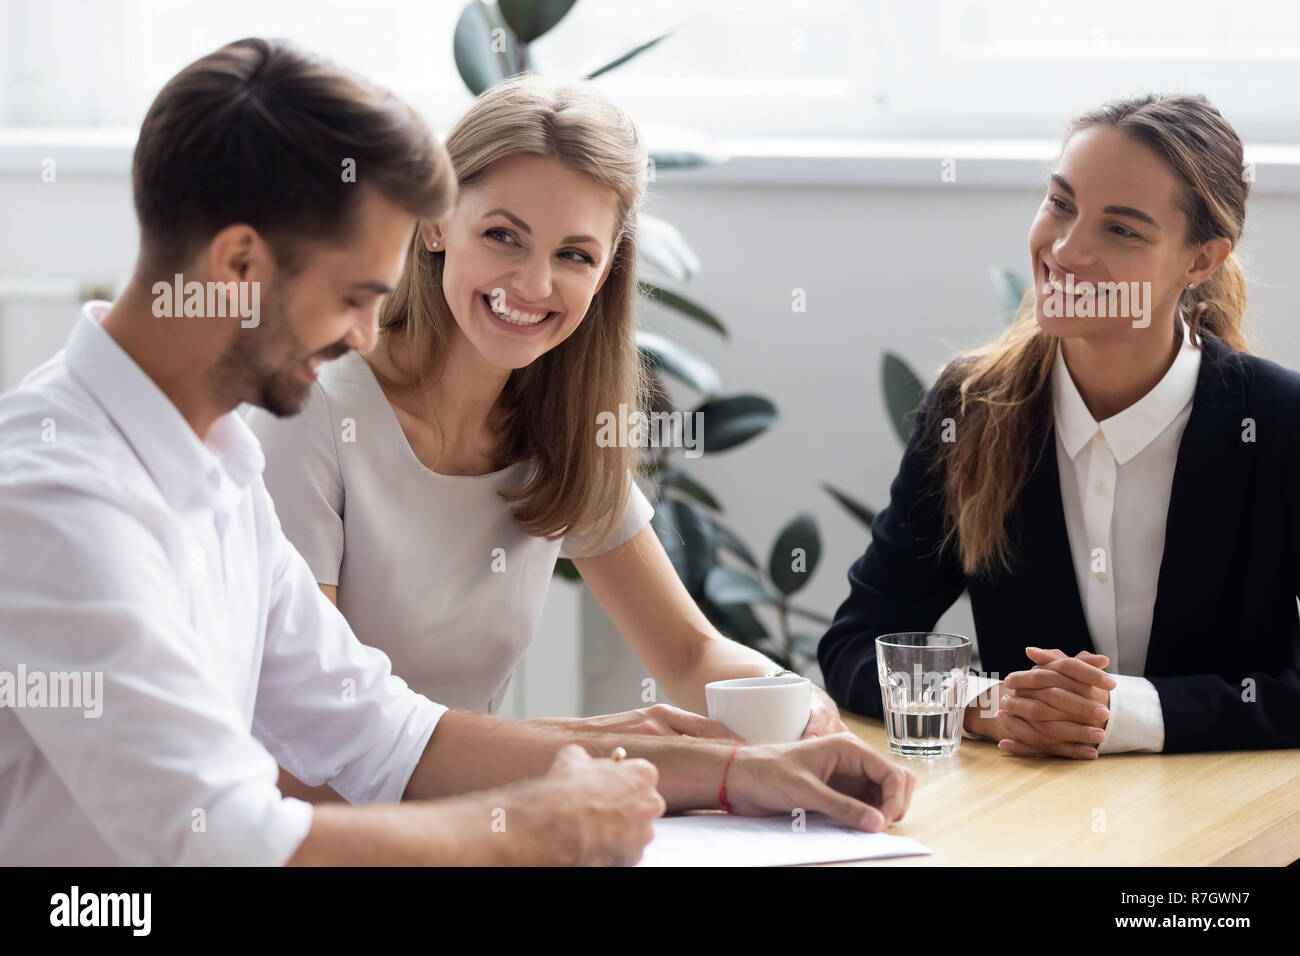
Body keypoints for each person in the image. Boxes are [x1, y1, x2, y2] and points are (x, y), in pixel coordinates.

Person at [0, 38, 914, 866]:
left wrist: (733, 773)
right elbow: (222, 835)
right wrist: (533, 829)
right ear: (239, 267)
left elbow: (386, 734)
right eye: (356, 296)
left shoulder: (217, 468)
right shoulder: (55, 497)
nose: (366, 336)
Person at [245, 75, 847, 802]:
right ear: (436, 222)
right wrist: (596, 747)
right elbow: (310, 737)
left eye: (574, 255)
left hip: (475, 825)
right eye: (503, 236)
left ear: (606, 269)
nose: (533, 284)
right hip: (313, 835)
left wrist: (800, 706)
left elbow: (690, 653)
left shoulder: (561, 426)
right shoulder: (311, 409)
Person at [819, 93, 1300, 757]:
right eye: (1061, 204)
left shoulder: (1278, 422)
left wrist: (1125, 713)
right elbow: (856, 644)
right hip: (1035, 809)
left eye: (1122, 230)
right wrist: (989, 704)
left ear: (1201, 260)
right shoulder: (969, 409)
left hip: (1236, 811)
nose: (1068, 250)